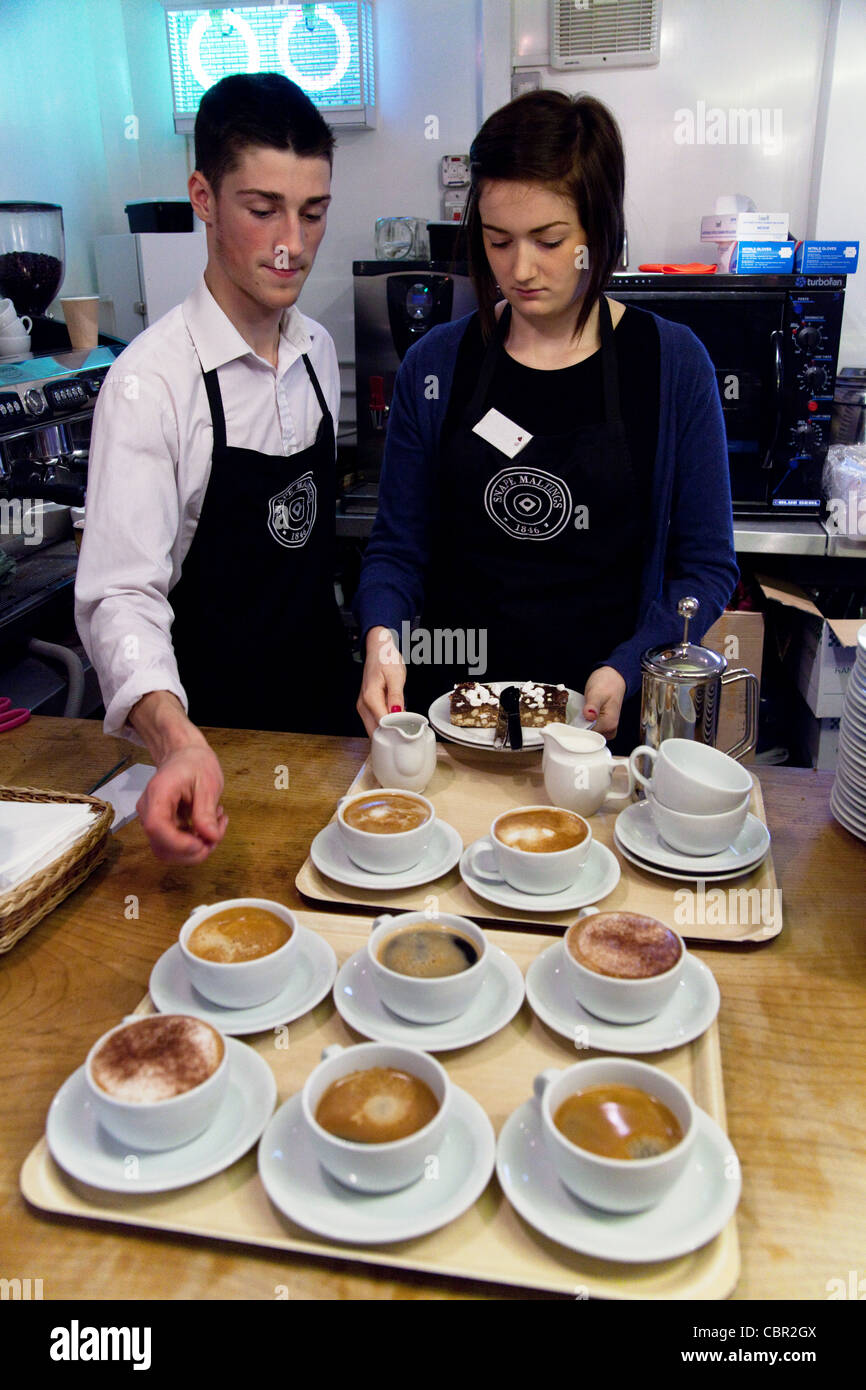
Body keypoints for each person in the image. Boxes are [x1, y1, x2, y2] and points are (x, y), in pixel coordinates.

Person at [355, 90, 738, 750]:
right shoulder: (438, 368)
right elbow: (396, 549)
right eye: (499, 241)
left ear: (600, 228)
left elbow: (706, 567)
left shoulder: (671, 365)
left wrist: (631, 663)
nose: (520, 269)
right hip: (455, 720)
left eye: (549, 240)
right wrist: (382, 638)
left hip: (601, 730)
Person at [75, 73, 356, 865]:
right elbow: (119, 599)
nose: (290, 245)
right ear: (203, 195)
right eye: (262, 209)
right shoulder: (150, 383)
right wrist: (175, 741)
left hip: (327, 740)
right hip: (211, 757)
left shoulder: (316, 349)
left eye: (313, 212)